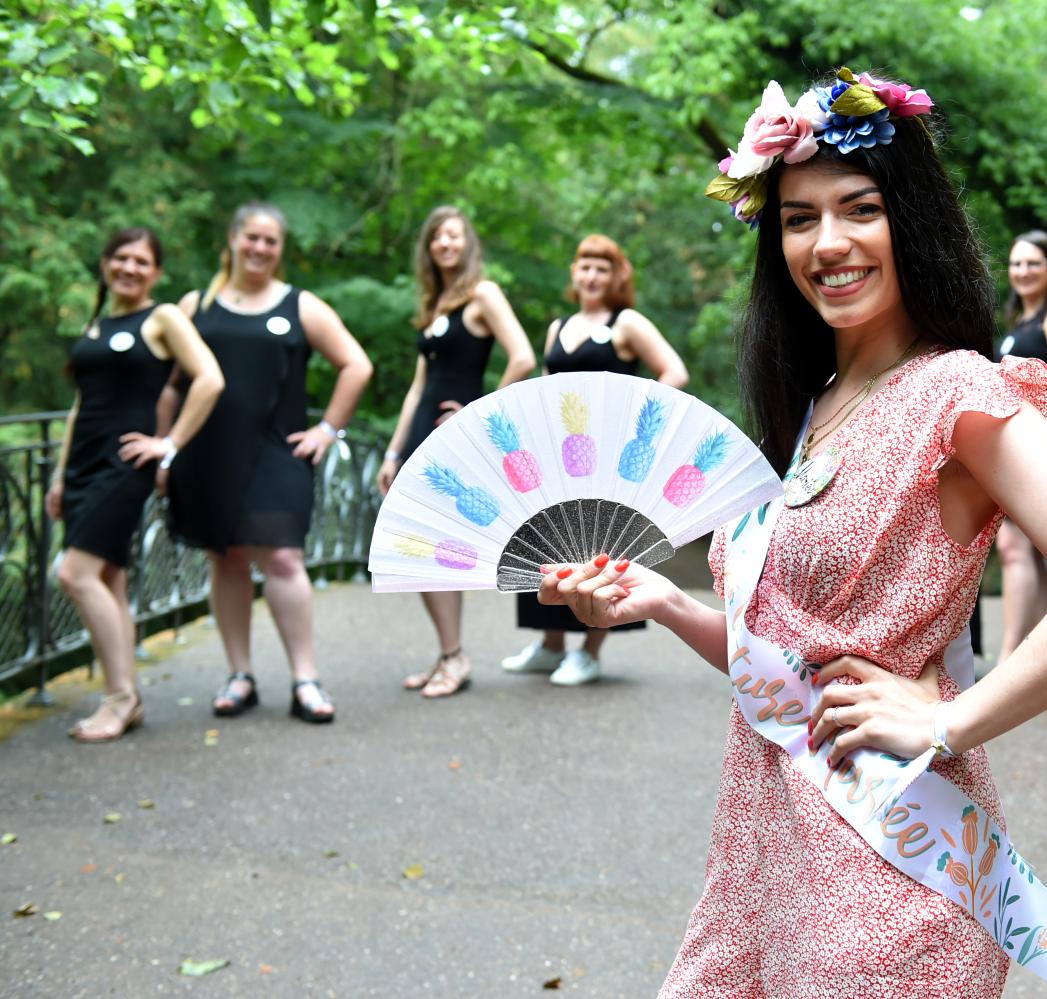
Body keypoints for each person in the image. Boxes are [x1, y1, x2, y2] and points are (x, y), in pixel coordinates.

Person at [537, 70, 1047, 996]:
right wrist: (669, 604)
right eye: (798, 218)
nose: (827, 243)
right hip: (759, 869)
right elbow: (797, 663)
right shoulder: (810, 410)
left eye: (859, 210)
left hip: (888, 885)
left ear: (908, 222)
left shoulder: (958, 392)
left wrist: (953, 715)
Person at [167, 203, 373, 723]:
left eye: (270, 241)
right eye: (251, 238)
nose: (259, 248)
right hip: (207, 455)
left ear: (280, 249)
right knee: (226, 558)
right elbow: (170, 385)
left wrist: (328, 429)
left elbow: (356, 364)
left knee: (283, 558)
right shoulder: (197, 304)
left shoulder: (300, 306)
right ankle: (240, 675)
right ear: (233, 239)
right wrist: (165, 445)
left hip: (277, 454)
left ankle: (305, 678)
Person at [45, 227, 224, 742]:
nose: (129, 268)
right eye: (120, 258)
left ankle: (119, 698)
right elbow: (82, 405)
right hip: (80, 467)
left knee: (74, 575)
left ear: (157, 272)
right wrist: (59, 474)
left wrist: (168, 445)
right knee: (107, 582)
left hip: (123, 464)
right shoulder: (98, 325)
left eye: (142, 262)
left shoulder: (163, 317)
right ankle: (128, 697)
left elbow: (209, 378)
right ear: (105, 264)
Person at [501, 234, 688, 687]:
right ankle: (550, 646)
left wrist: (639, 430)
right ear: (574, 273)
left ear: (616, 276)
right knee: (547, 543)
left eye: (602, 268)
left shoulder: (627, 323)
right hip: (556, 456)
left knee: (600, 547)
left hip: (608, 459)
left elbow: (674, 372)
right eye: (585, 266)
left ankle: (589, 651)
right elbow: (545, 387)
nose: (591, 275)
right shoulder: (558, 326)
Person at [378, 206, 536, 697]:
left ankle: (455, 657)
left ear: (467, 244)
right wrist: (392, 450)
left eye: (454, 236)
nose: (445, 244)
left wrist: (474, 416)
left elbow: (524, 357)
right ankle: (448, 653)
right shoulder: (436, 303)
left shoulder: (481, 294)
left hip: (455, 436)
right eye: (437, 238)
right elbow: (417, 386)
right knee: (416, 542)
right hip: (423, 433)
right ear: (428, 248)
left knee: (434, 545)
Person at [983, 231, 1047, 663]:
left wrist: (1018, 422)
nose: (1023, 272)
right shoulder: (1018, 323)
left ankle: (1011, 658)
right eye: (1017, 263)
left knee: (1015, 546)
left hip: (1041, 439)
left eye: (1033, 263)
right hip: (1015, 440)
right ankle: (1042, 657)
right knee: (1028, 548)